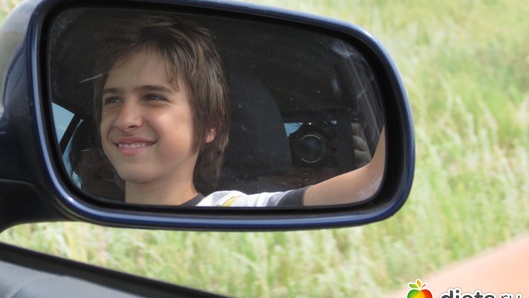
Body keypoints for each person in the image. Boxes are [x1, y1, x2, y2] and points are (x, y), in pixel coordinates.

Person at [91, 14, 384, 207]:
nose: (125, 119)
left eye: (153, 98)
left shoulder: (228, 208)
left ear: (210, 124)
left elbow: (372, 181)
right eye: (112, 100)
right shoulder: (83, 210)